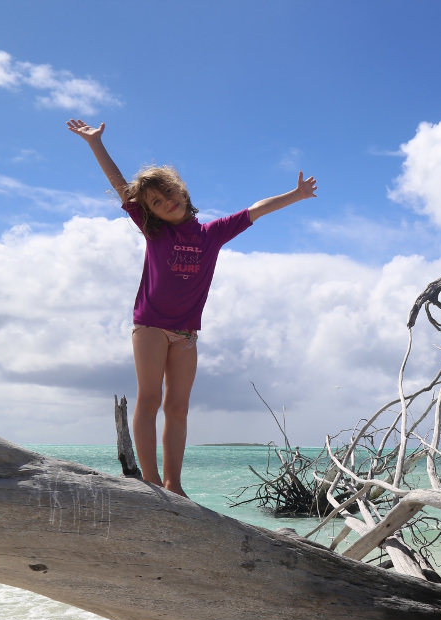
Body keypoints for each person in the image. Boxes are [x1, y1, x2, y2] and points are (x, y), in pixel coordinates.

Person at [67, 119, 317, 497]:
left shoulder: (212, 234)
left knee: (178, 408)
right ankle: (149, 482)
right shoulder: (155, 231)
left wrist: (294, 196)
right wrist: (95, 144)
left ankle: (174, 485)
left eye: (169, 193)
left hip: (186, 333)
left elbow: (255, 211)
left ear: (182, 191)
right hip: (150, 325)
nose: (166, 202)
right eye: (156, 202)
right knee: (149, 398)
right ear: (149, 212)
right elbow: (121, 185)